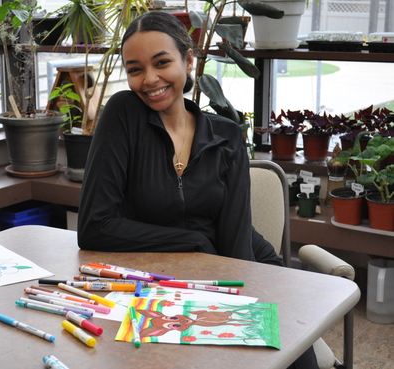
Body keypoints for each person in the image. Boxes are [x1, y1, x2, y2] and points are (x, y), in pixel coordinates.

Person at [77, 11, 320, 368]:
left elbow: (237, 237)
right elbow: (94, 226)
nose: (149, 79)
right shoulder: (123, 115)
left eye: (162, 62)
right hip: (163, 275)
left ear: (188, 60)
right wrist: (191, 242)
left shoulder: (226, 134)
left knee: (288, 348)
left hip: (238, 256)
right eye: (135, 69)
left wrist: (240, 296)